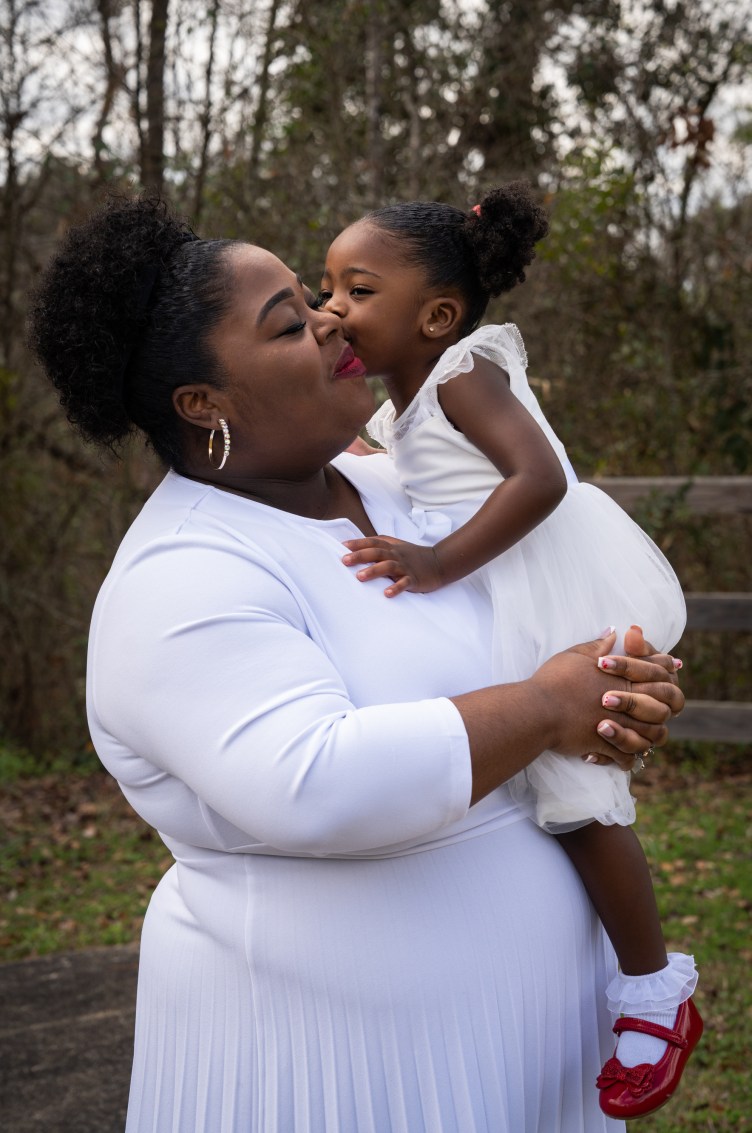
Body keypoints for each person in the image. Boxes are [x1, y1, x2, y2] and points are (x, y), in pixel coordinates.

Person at [29, 192, 686, 1133]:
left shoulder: (406, 486)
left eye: (322, 297)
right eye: (292, 321)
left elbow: (538, 638)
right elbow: (316, 782)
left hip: (537, 1041)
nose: (331, 320)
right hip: (341, 1066)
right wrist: (548, 706)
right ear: (203, 403)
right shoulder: (181, 574)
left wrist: (617, 694)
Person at [319, 182, 702, 1121]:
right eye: (325, 288)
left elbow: (543, 476)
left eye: (356, 292)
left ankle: (654, 988)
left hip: (551, 590)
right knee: (543, 782)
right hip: (509, 597)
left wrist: (440, 560)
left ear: (437, 314)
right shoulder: (405, 396)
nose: (333, 310)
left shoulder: (459, 375)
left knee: (578, 795)